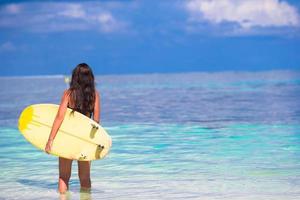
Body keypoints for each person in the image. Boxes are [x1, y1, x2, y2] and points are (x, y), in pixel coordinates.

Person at [44, 63, 100, 194]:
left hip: (67, 138)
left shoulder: (68, 94)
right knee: (85, 178)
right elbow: (96, 121)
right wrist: (95, 143)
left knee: (64, 177)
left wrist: (50, 140)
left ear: (75, 77)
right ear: (90, 78)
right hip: (84, 139)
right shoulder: (94, 95)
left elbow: (59, 117)